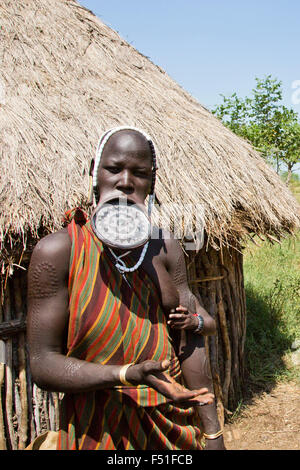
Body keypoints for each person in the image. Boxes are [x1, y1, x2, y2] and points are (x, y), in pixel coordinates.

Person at [27, 127, 225, 450]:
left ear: (152, 183)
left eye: (140, 174)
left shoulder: (165, 248)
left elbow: (191, 338)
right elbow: (43, 364)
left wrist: (213, 434)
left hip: (170, 432)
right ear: (95, 173)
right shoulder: (59, 252)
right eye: (114, 169)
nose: (126, 182)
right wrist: (125, 375)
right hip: (94, 431)